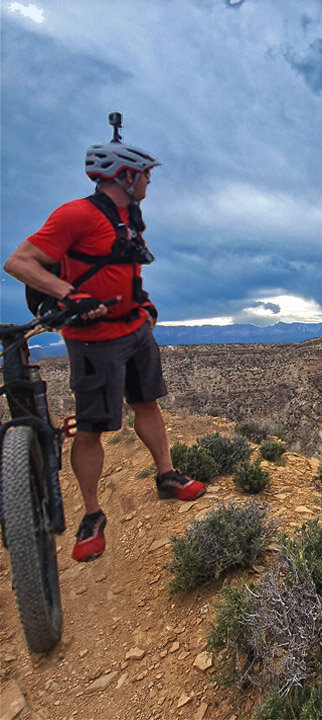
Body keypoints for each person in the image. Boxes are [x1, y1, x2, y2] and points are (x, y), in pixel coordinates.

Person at [3, 122, 205, 563]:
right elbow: (18, 262)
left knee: (148, 403)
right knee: (93, 426)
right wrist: (69, 296)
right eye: (146, 174)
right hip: (93, 341)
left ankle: (167, 476)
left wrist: (146, 306)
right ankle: (92, 516)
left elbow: (125, 270)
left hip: (134, 331)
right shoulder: (75, 215)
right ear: (125, 176)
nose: (151, 181)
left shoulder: (129, 220)